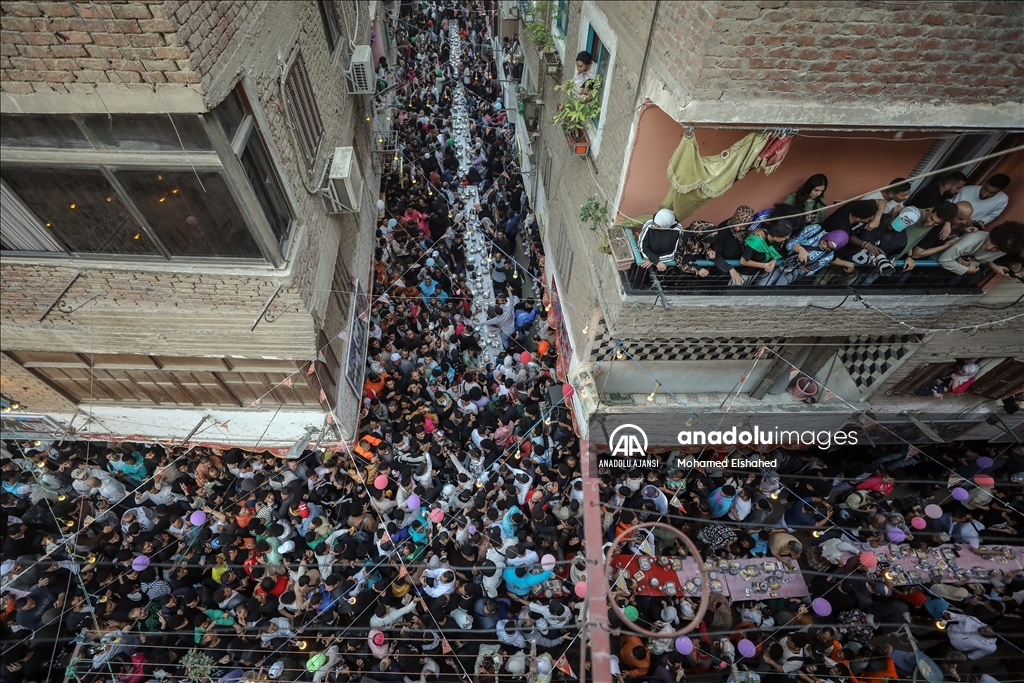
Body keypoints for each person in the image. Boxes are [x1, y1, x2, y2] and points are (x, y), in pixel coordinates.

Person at [938, 220, 1024, 278]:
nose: (990, 247)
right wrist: (967, 270)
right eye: (992, 242)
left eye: (996, 248)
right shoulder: (968, 242)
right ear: (992, 234)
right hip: (937, 262)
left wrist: (994, 267)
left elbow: (982, 260)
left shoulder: (1002, 250)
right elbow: (944, 260)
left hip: (953, 269)